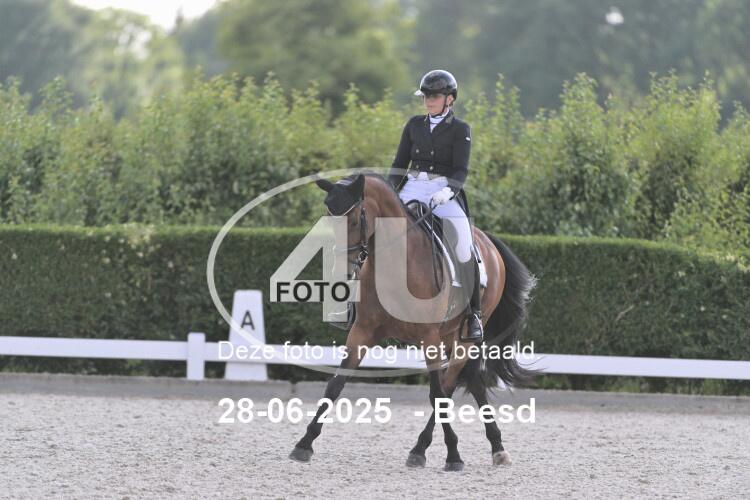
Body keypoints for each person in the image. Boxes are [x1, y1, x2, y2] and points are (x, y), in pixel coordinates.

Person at [387, 69, 483, 342]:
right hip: (412, 187)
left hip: (443, 191)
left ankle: (474, 315)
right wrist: (388, 190)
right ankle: (358, 303)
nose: (428, 101)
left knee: (464, 243)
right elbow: (399, 164)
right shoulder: (413, 125)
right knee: (377, 229)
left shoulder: (460, 129)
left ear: (449, 99)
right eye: (426, 96)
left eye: (435, 96)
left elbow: (461, 170)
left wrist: (448, 191)